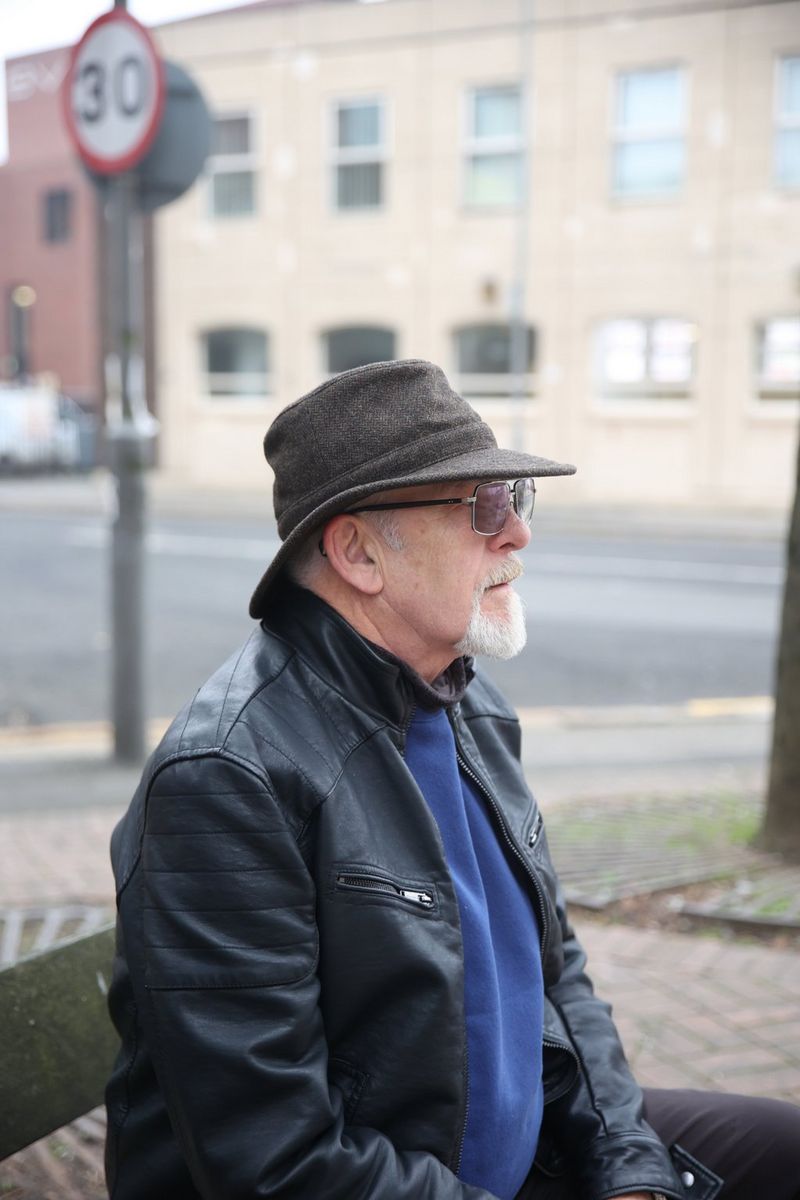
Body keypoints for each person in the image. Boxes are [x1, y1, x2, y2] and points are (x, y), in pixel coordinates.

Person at [105, 359, 799, 1200]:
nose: (517, 536)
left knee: (783, 1147)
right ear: (359, 553)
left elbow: (556, 975)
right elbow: (274, 1160)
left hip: (513, 1142)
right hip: (400, 1176)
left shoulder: (469, 704)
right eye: (484, 507)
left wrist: (628, 1166)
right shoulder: (227, 777)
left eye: (516, 499)